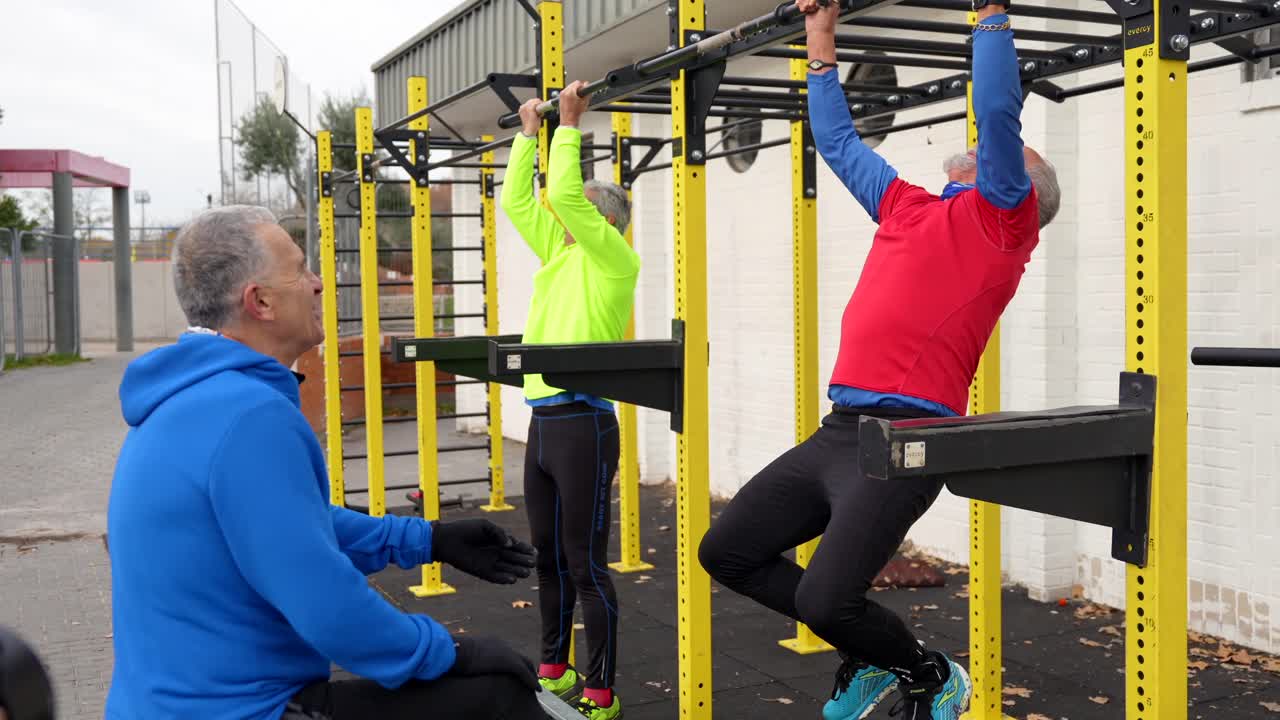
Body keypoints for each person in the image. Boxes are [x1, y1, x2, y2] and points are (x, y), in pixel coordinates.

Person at [698, 2, 1062, 719]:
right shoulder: (906, 205)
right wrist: (822, 36)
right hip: (841, 432)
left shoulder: (1003, 221)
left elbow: (996, 111)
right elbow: (835, 140)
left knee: (823, 597)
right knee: (727, 552)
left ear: (1026, 188)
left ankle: (928, 674)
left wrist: (990, 15)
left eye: (1012, 154)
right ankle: (870, 660)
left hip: (904, 442)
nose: (989, 147)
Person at [105, 206, 548, 720]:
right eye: (299, 269)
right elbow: (327, 606)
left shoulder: (194, 398)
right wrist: (450, 651)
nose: (317, 284)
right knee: (497, 697)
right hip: (239, 711)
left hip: (174, 705)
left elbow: (291, 528)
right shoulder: (248, 416)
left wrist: (427, 539)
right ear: (261, 301)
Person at [499, 82, 641, 720]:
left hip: (585, 421)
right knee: (548, 553)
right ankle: (555, 666)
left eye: (577, 211)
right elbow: (519, 200)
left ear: (603, 220)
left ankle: (603, 690)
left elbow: (559, 196)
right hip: (543, 422)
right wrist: (529, 135)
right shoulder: (560, 255)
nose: (559, 217)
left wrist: (570, 126)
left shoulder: (614, 260)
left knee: (586, 564)